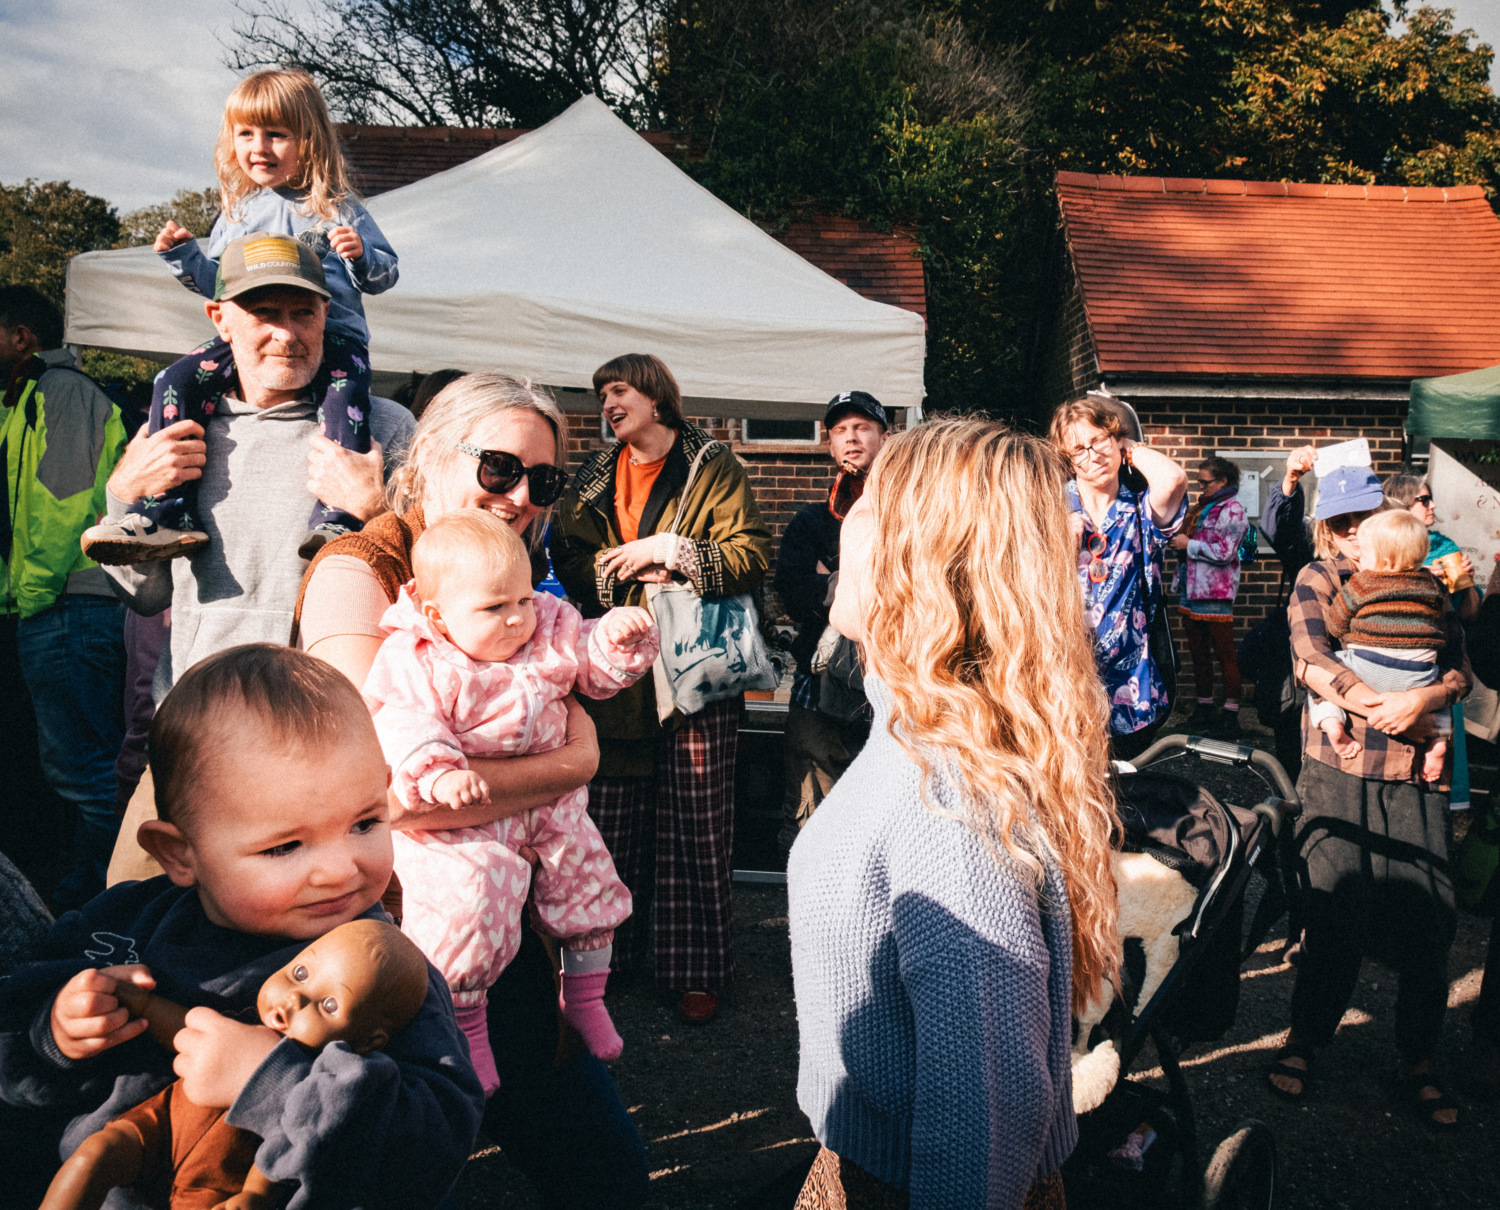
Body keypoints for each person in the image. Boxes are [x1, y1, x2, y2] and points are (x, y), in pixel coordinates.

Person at [295, 372, 650, 1209]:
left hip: (502, 906)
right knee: (399, 1166)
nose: (521, 495)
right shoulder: (359, 572)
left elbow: (575, 685)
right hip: (387, 929)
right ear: (428, 457)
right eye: (499, 467)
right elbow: (380, 791)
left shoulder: (519, 571)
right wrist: (570, 766)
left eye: (544, 480)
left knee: (597, 1167)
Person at [0, 644, 484, 1209]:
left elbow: (435, 1146)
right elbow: (12, 1045)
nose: (339, 869)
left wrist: (273, 1081)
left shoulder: (382, 972)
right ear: (179, 854)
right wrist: (54, 1036)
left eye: (364, 823)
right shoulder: (123, 925)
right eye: (284, 846)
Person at [788, 417, 1118, 1208]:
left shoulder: (948, 809)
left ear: (924, 557)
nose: (846, 520)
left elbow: (985, 1121)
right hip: (867, 1161)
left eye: (867, 505)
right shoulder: (915, 735)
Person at [363, 510, 658, 1087]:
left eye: (524, 598)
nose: (518, 617)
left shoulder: (544, 629)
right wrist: (439, 774)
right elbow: (401, 721)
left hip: (550, 806)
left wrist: (614, 639)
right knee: (470, 902)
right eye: (495, 607)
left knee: (589, 876)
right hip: (462, 819)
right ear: (437, 615)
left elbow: (589, 669)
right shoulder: (420, 657)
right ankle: (468, 1025)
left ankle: (585, 997)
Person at [82, 70, 398, 565]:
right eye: (246, 133)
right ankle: (167, 511)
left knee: (344, 400)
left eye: (276, 134)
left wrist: (360, 257)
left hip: (332, 339)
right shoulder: (236, 215)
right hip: (246, 344)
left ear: (310, 140)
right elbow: (223, 291)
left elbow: (384, 275)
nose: (259, 147)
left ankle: (338, 517)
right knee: (173, 379)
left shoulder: (337, 209)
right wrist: (185, 259)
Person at [552, 353, 772, 1024]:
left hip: (695, 672)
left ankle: (694, 972)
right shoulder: (592, 474)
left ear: (655, 397)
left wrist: (668, 551)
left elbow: (752, 554)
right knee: (611, 822)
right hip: (616, 672)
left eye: (618, 390)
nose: (607, 404)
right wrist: (621, 575)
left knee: (695, 824)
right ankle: (607, 960)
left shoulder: (712, 464)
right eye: (601, 395)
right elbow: (568, 555)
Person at [1268, 465, 1469, 1131]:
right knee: (1333, 917)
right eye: (1343, 521)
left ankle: (1418, 1058)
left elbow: (1459, 668)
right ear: (1328, 527)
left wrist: (1426, 697)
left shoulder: (1426, 580)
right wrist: (1390, 708)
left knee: (1431, 923)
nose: (1355, 531)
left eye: (1364, 518)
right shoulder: (1320, 578)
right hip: (1342, 767)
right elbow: (1311, 658)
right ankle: (1305, 1039)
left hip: (1415, 774)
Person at [40, 918, 430, 1210]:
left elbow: (293, 1139)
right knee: (95, 1154)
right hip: (160, 1126)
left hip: (217, 1181)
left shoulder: (330, 1082)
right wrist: (142, 1004)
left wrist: (256, 1195)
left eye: (329, 1005)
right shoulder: (244, 1024)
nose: (294, 999)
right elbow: (188, 1029)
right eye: (300, 973)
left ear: (368, 1040)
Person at [0, 285, 130, 911]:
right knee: (76, 768)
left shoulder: (62, 391)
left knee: (86, 770)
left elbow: (62, 504)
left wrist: (29, 597)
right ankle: (93, 891)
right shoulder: (26, 395)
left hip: (69, 606)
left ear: (21, 336)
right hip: (54, 605)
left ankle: (110, 901)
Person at [773, 390, 888, 853]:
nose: (851, 438)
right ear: (830, 444)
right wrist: (851, 582)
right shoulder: (811, 522)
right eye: (840, 430)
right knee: (813, 824)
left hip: (890, 690)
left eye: (862, 427)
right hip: (818, 691)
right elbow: (792, 592)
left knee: (883, 823)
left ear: (885, 437)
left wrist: (834, 579)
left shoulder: (908, 514)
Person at [1051, 394, 1187, 761]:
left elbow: (1173, 479)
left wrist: (1129, 447)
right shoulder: (1048, 510)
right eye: (1079, 449)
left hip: (1131, 691)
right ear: (1067, 459)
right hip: (1065, 685)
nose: (1093, 455)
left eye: (1099, 440)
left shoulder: (1140, 510)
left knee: (1129, 788)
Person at [1308, 510, 1453, 783]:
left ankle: (1332, 722)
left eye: (1365, 553)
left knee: (1321, 671)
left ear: (1382, 559)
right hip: (1420, 673)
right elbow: (1444, 632)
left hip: (1369, 670)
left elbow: (1335, 626)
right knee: (1441, 687)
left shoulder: (1363, 582)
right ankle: (1439, 740)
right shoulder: (1432, 584)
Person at [1170, 456, 1248, 737]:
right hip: (1190, 590)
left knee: (1225, 654)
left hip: (1215, 592)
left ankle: (1230, 714)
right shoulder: (1202, 508)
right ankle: (1204, 709)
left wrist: (1188, 544)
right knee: (1198, 653)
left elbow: (1225, 552)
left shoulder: (1233, 510)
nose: (1201, 487)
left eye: (1205, 482)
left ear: (1223, 481)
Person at [1257, 445, 1317, 779]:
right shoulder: (1309, 544)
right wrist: (1291, 480)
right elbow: (1277, 528)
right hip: (1301, 666)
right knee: (1293, 749)